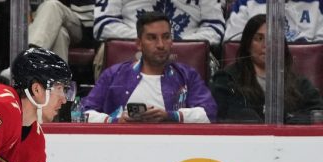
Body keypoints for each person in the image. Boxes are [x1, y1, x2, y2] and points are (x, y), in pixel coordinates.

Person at [82, 11, 217, 123]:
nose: (160, 45)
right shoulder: (113, 74)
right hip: (121, 146)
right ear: (139, 44)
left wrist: (171, 116)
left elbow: (209, 113)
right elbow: (83, 114)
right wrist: (115, 121)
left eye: (166, 37)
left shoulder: (187, 75)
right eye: (152, 38)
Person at [211, 14, 323, 123]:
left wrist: (290, 121)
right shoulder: (227, 79)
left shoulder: (298, 82)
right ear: (247, 44)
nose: (266, 45)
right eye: (259, 38)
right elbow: (224, 115)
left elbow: (317, 112)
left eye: (273, 39)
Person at [93, 0, 224, 79]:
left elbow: (215, 28)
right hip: (132, 42)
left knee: (209, 59)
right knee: (105, 51)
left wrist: (177, 45)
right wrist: (146, 40)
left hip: (189, 45)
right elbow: (103, 25)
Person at [224, 0, 323, 42]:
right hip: (254, 78)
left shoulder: (318, 4)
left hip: (304, 76)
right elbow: (233, 49)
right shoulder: (246, 3)